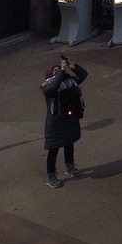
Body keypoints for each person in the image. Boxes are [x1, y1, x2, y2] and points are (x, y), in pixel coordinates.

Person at [42, 55, 89, 188]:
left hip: (69, 118)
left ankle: (70, 167)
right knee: (53, 149)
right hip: (55, 122)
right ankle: (51, 177)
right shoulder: (48, 87)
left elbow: (84, 75)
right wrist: (62, 72)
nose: (58, 70)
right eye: (55, 70)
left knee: (69, 143)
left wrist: (71, 66)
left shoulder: (70, 82)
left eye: (59, 69)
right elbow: (54, 87)